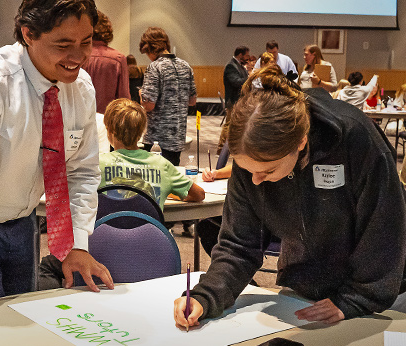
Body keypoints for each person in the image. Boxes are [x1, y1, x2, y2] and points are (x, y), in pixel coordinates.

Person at [0, 0, 114, 328]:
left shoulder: (80, 88)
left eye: (86, 42)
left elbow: (82, 172)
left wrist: (77, 244)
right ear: (28, 34)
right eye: (64, 44)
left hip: (19, 221)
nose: (79, 56)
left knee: (23, 319)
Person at [174, 65, 406, 329]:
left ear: (300, 142)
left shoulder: (356, 138)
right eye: (249, 170)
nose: (255, 180)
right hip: (307, 289)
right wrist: (207, 295)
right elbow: (239, 244)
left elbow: (385, 229)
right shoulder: (251, 156)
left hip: (383, 293)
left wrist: (355, 299)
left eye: (268, 171)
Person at [38, 98, 205, 290]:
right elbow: (198, 195)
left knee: (48, 266)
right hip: (149, 250)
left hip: (96, 250)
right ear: (142, 132)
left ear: (109, 132)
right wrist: (167, 192)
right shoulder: (162, 165)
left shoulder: (93, 165)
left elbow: (69, 194)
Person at [139, 26, 197, 166]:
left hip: (157, 139)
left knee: (154, 180)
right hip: (178, 137)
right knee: (171, 176)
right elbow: (192, 101)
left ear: (151, 47)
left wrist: (141, 94)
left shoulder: (155, 67)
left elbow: (149, 105)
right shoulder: (186, 66)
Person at [82, 10, 130, 114]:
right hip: (107, 122)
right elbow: (124, 99)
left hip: (78, 120)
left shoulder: (78, 57)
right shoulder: (118, 59)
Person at [217, 46, 249, 155]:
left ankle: (231, 149)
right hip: (233, 101)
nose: (248, 58)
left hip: (240, 101)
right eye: (246, 55)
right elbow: (236, 82)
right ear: (240, 55)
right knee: (229, 125)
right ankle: (221, 150)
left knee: (235, 126)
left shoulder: (240, 66)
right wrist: (250, 78)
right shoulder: (231, 66)